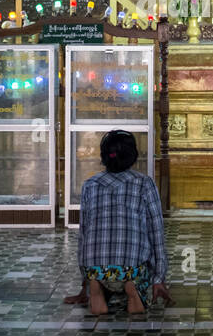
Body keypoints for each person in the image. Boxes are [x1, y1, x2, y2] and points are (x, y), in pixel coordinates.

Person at [64, 130, 172, 315]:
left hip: (94, 266)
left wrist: (85, 277)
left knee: (100, 273)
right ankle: (133, 289)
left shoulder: (90, 185)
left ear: (104, 157)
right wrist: (158, 278)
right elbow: (156, 233)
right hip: (130, 266)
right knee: (133, 273)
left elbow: (84, 233)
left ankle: (95, 288)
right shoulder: (144, 183)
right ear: (133, 156)